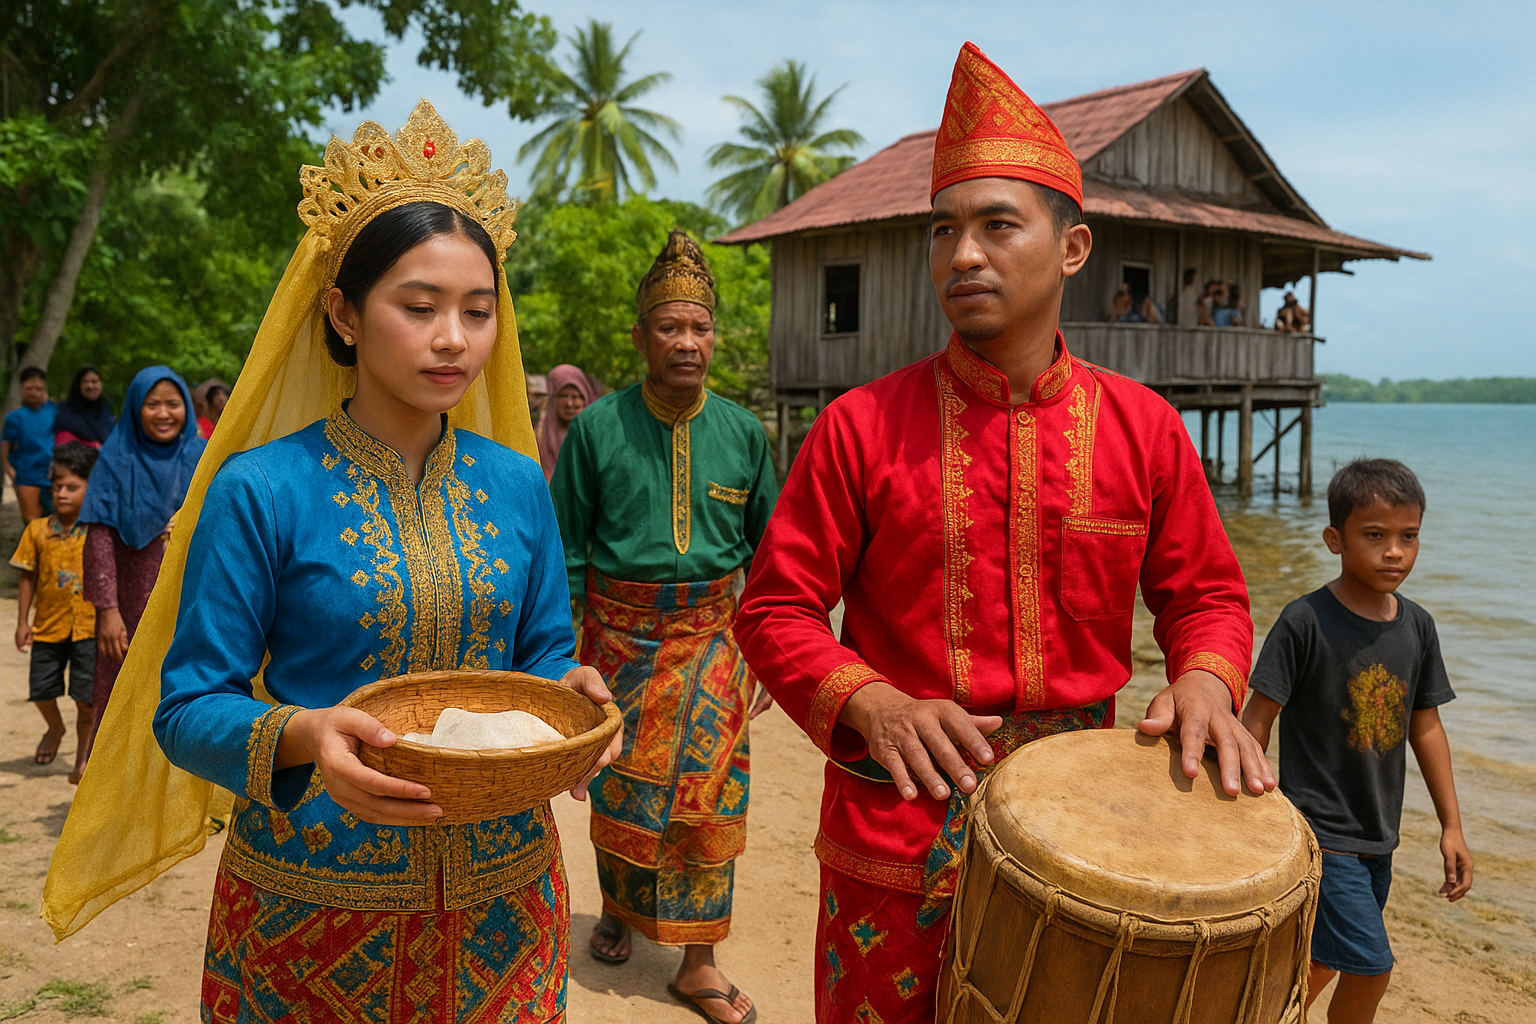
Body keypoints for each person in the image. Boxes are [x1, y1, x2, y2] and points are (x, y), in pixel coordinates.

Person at [43, 101, 621, 1023]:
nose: (454, 339)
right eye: (420, 306)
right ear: (344, 313)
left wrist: (572, 691)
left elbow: (542, 655)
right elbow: (189, 706)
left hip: (506, 907)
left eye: (478, 312)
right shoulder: (263, 489)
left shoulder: (516, 485)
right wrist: (307, 737)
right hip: (309, 916)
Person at [732, 42, 1268, 1024]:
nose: (963, 253)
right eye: (943, 230)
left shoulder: (1144, 427)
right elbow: (774, 609)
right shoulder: (859, 425)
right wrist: (875, 701)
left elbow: (1208, 597)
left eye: (995, 225)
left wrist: (1204, 678)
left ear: (1072, 248)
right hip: (890, 832)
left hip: (1085, 841)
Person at [551, 229, 779, 1024]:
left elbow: (774, 559)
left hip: (714, 644)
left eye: (700, 328)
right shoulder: (595, 431)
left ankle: (698, 963)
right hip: (615, 646)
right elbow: (566, 551)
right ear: (642, 337)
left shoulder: (747, 435)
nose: (688, 343)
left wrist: (766, 657)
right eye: (671, 328)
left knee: (711, 803)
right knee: (621, 792)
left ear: (714, 336)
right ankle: (619, 908)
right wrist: (571, 655)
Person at [1242, 459, 1471, 1024]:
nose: (1395, 552)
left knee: (1324, 959)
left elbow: (1425, 727)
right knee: (1371, 966)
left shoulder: (1417, 627)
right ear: (1334, 540)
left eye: (1408, 537)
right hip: (1320, 832)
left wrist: (1452, 826)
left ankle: (1255, 1014)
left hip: (1378, 836)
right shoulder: (1305, 622)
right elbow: (1258, 719)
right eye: (1375, 536)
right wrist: (1241, 811)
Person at [80, 366, 206, 744]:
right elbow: (99, 538)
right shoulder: (115, 460)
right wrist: (108, 611)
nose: (164, 413)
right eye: (152, 404)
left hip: (193, 599)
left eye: (173, 404)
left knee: (188, 695)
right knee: (125, 700)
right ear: (136, 408)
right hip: (132, 605)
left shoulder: (204, 455)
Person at [11, 442, 99, 785]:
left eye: (72, 487)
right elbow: (26, 576)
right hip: (47, 627)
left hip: (89, 628)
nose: (62, 494)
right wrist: (22, 622)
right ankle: (54, 727)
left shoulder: (99, 532)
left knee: (86, 699)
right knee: (42, 690)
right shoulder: (37, 530)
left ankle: (82, 756)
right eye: (57, 487)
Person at [3, 366, 58, 523]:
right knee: (32, 523)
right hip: (27, 476)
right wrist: (9, 469)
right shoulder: (15, 417)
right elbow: (6, 446)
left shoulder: (54, 411)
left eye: (39, 388)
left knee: (55, 522)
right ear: (22, 389)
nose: (34, 392)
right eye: (29, 388)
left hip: (52, 475)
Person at [536, 363, 597, 482]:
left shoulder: (597, 433)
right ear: (553, 398)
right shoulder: (541, 435)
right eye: (563, 396)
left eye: (576, 397)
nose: (569, 404)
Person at [52, 365, 116, 449]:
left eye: (94, 381)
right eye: (85, 382)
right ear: (78, 386)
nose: (90, 386)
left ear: (101, 384)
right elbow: (63, 441)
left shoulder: (106, 409)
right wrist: (92, 446)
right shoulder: (64, 411)